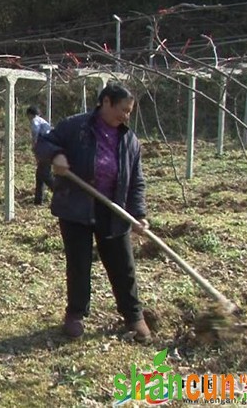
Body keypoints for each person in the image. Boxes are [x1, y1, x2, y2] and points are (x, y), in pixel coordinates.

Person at [35, 84, 151, 343]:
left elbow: (136, 181)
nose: (126, 116)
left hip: (114, 209)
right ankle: (75, 314)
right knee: (79, 262)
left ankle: (134, 316)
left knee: (123, 264)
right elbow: (43, 144)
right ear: (106, 102)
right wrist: (56, 155)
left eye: (130, 112)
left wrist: (139, 214)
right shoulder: (75, 127)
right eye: (123, 110)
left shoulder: (129, 140)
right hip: (76, 206)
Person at [26, 106, 54, 205]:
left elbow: (35, 132)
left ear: (30, 114)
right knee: (39, 175)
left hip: (45, 149)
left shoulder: (35, 120)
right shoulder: (43, 121)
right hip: (49, 148)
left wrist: (34, 145)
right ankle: (38, 201)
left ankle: (60, 193)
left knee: (45, 174)